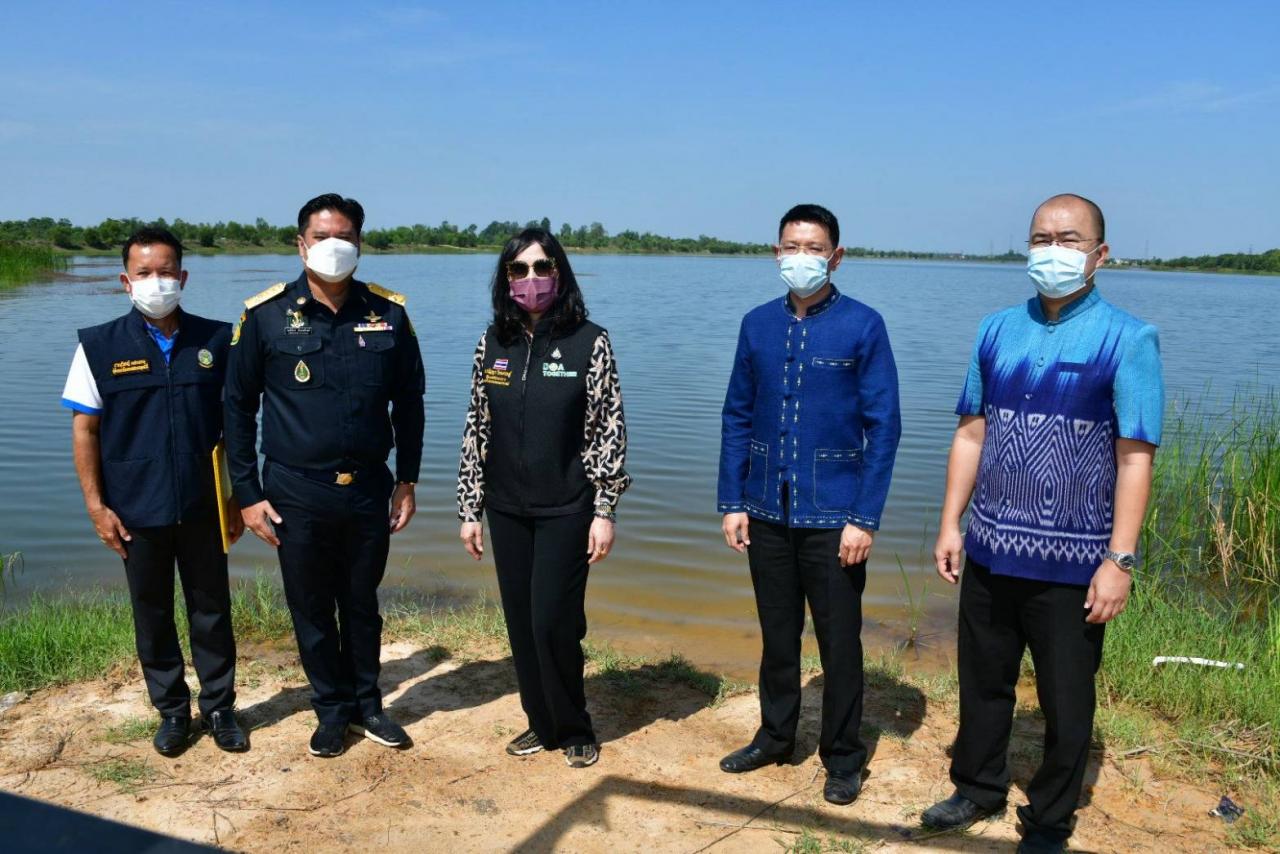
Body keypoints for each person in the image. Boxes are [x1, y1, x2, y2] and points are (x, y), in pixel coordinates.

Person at [921, 194, 1163, 854]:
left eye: (1068, 239)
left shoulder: (1129, 338)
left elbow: (1134, 458)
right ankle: (977, 787)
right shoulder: (996, 329)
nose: (1052, 250)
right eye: (1040, 238)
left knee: (1066, 698)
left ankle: (1051, 819)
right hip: (991, 548)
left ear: (1099, 254)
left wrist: (1120, 559)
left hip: (1074, 565)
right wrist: (950, 523)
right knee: (983, 682)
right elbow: (971, 433)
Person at [224, 193, 425, 758]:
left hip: (367, 487)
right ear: (301, 244)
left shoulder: (388, 313)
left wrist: (407, 479)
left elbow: (410, 403)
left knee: (361, 603)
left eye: (345, 237)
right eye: (321, 237)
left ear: (359, 244)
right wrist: (247, 494)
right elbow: (237, 408)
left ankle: (368, 705)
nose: (333, 247)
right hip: (295, 491)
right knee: (311, 607)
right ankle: (331, 712)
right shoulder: (265, 315)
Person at [716, 204, 901, 805]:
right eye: (791, 247)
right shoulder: (756, 324)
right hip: (766, 508)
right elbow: (737, 415)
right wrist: (733, 500)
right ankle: (775, 737)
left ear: (835, 256)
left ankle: (842, 757)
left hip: (835, 515)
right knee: (777, 635)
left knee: (839, 642)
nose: (801, 257)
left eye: (814, 248)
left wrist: (863, 518)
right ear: (777, 253)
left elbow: (884, 427)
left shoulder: (863, 325)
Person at [62, 226, 247, 756]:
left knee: (211, 609)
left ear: (183, 277)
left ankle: (220, 708)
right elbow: (85, 429)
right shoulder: (98, 345)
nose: (156, 281)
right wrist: (96, 506)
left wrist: (237, 496)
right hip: (134, 508)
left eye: (165, 271)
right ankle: (172, 712)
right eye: (144, 272)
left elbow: (237, 426)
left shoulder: (218, 340)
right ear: (126, 281)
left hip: (204, 505)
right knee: (152, 611)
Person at [457, 227, 630, 769]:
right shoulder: (493, 342)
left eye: (541, 267)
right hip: (506, 507)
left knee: (553, 622)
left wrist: (604, 508)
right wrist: (470, 507)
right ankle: (540, 721)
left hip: (567, 508)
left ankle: (574, 726)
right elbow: (477, 427)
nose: (530, 278)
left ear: (559, 273)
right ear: (505, 278)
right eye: (519, 269)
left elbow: (608, 429)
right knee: (521, 623)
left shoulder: (589, 341)